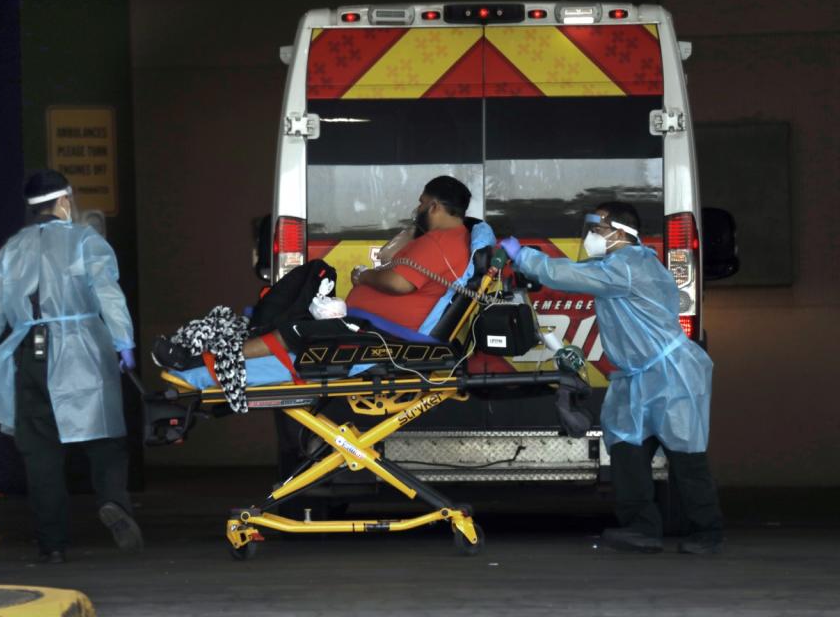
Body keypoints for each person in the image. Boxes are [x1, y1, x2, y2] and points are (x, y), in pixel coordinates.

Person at [500, 201, 724, 555]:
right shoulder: (617, 265)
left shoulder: (630, 266)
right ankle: (641, 529)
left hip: (670, 375)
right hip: (634, 377)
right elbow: (579, 272)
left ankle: (707, 532)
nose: (590, 236)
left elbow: (568, 276)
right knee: (625, 449)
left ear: (619, 233)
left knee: (685, 455)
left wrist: (523, 255)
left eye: (597, 228)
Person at [0, 169, 143, 564]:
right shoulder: (86, 241)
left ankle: (53, 544)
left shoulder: (11, 250)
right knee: (106, 440)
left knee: (40, 452)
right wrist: (123, 340)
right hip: (83, 349)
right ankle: (114, 501)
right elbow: (107, 294)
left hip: (27, 354)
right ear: (64, 201)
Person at [242, 175, 472, 358]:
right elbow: (390, 259)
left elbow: (398, 283)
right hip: (370, 325)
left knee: (296, 330)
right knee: (312, 278)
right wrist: (412, 232)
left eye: (421, 203)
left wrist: (364, 278)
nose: (417, 209)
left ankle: (227, 358)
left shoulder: (441, 241)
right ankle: (256, 330)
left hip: (382, 332)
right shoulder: (445, 240)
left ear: (434, 207)